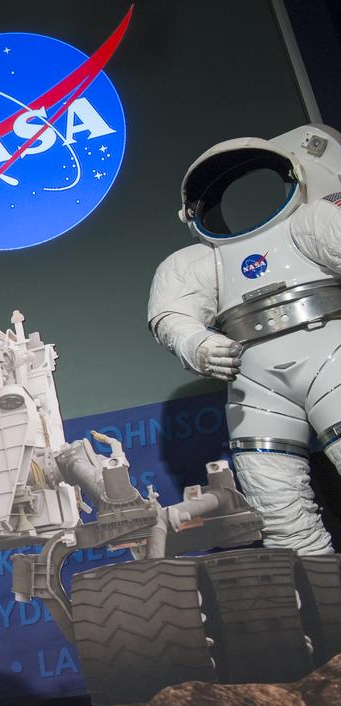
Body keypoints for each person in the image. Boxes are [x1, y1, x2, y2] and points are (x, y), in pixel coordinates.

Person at [147, 123, 341, 555]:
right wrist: (198, 344)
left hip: (331, 357)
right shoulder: (199, 262)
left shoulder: (312, 222)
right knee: (281, 516)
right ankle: (326, 610)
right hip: (256, 386)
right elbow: (171, 316)